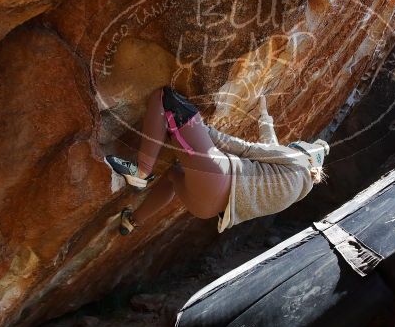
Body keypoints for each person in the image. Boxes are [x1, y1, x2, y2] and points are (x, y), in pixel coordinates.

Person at [106, 86, 329, 235]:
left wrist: (203, 131)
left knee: (166, 99)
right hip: (206, 209)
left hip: (216, 177)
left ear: (304, 151)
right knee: (173, 175)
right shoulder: (299, 185)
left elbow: (248, 149)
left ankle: (141, 172)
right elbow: (272, 148)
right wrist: (264, 116)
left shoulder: (298, 160)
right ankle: (132, 221)